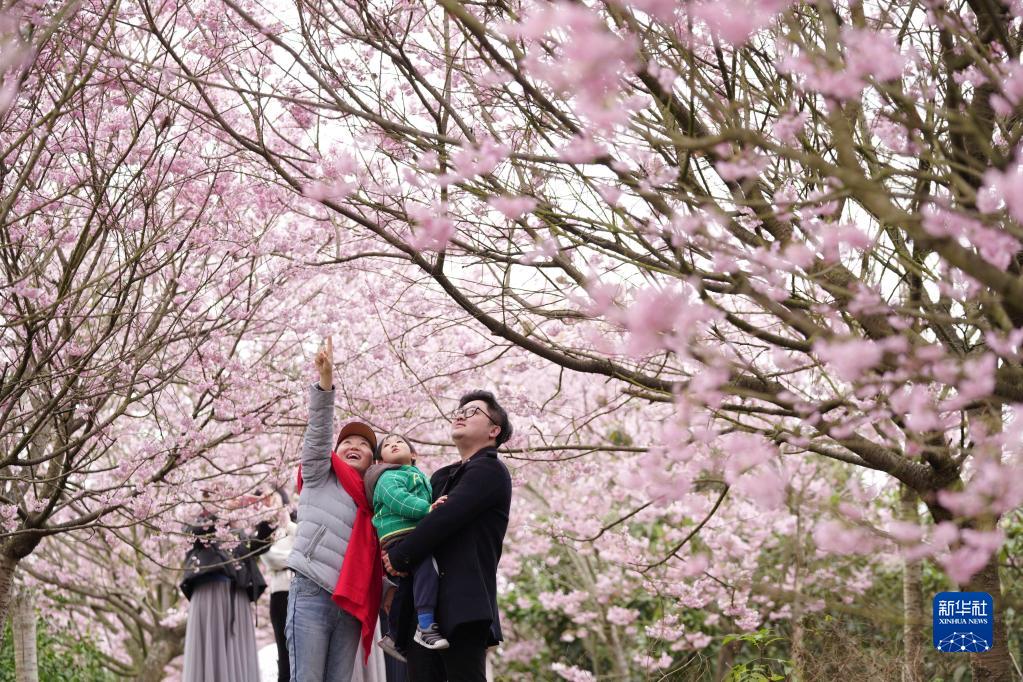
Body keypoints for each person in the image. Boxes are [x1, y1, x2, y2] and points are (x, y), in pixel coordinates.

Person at [382, 390, 513, 682]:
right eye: (459, 410)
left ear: (494, 430)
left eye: (473, 412)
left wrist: (399, 556)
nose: (460, 415)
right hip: (424, 606)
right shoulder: (442, 476)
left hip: (463, 604)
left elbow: (445, 518)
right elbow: (414, 519)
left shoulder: (490, 470)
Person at [286, 336, 383, 682]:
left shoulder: (377, 498)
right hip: (312, 588)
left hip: (351, 604)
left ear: (375, 459)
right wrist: (325, 385)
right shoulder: (318, 472)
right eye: (347, 442)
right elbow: (318, 433)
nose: (354, 446)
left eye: (363, 444)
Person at [364, 434, 449, 663]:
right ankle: (425, 624)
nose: (393, 444)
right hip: (398, 533)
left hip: (412, 533)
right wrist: (428, 508)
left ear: (414, 454)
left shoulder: (419, 475)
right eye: (388, 444)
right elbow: (397, 499)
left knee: (409, 584)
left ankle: (394, 635)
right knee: (428, 566)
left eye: (399, 442)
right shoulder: (386, 477)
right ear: (381, 460)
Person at [180, 492, 276, 682]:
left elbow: (259, 546)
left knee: (236, 654)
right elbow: (193, 533)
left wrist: (266, 519)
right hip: (210, 595)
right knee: (211, 652)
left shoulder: (238, 532)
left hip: (237, 599)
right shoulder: (197, 521)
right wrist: (222, 512)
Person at [261, 489, 298, 682]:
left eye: (272, 496)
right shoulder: (264, 531)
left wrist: (288, 524)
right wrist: (294, 559)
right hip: (280, 592)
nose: (269, 501)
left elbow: (305, 545)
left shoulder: (294, 525)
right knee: (284, 652)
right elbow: (268, 558)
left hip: (300, 590)